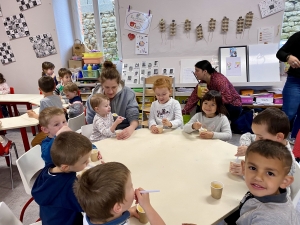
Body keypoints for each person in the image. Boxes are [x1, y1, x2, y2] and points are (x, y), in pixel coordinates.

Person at [224, 140, 299, 225]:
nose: (258, 177)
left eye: (270, 173)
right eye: (253, 168)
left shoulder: (268, 220)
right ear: (244, 168)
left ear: (284, 181)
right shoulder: (268, 192)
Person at [73, 162, 166, 225]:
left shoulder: (90, 212)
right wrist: (147, 206)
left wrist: (128, 212)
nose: (133, 188)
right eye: (130, 186)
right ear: (117, 207)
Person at [32, 131, 92, 225]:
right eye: (84, 161)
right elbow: (86, 207)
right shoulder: (70, 185)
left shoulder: (47, 169)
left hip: (48, 220)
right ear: (65, 167)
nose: (88, 162)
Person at [230, 107, 296, 176]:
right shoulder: (267, 141)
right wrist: (246, 146)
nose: (256, 140)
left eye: (260, 137)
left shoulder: (286, 161)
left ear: (279, 137)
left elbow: (273, 182)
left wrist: (248, 172)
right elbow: (247, 136)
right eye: (256, 135)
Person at [86, 61, 139, 140]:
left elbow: (133, 116)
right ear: (101, 84)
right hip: (103, 135)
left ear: (119, 84)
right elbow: (90, 122)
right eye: (107, 87)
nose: (110, 91)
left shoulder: (128, 94)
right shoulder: (93, 99)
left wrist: (131, 128)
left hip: (125, 129)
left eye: (114, 87)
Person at [276, 31, 300, 143]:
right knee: (288, 113)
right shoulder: (298, 36)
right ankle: (272, 138)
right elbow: (280, 53)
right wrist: (288, 57)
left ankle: (295, 139)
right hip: (296, 80)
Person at [28, 76, 63, 147]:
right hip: (61, 126)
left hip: (51, 130)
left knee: (34, 143)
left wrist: (33, 115)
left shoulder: (43, 101)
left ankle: (49, 148)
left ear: (40, 89)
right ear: (54, 87)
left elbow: (42, 118)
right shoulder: (58, 97)